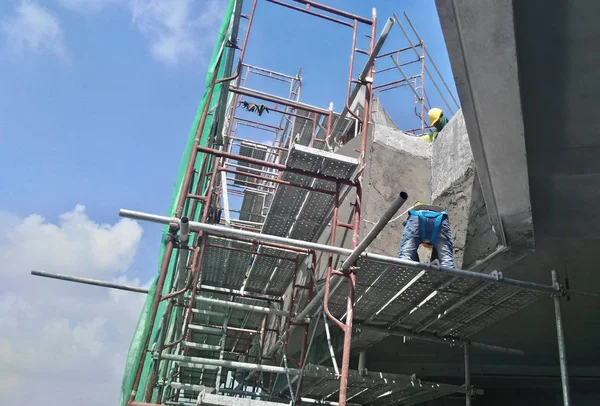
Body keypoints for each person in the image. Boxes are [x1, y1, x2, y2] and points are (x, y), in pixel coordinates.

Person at [398, 202, 455, 268]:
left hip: (417, 215)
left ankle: (404, 270)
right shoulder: (433, 242)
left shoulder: (421, 238)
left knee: (406, 257)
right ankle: (447, 277)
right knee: (446, 260)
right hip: (440, 216)